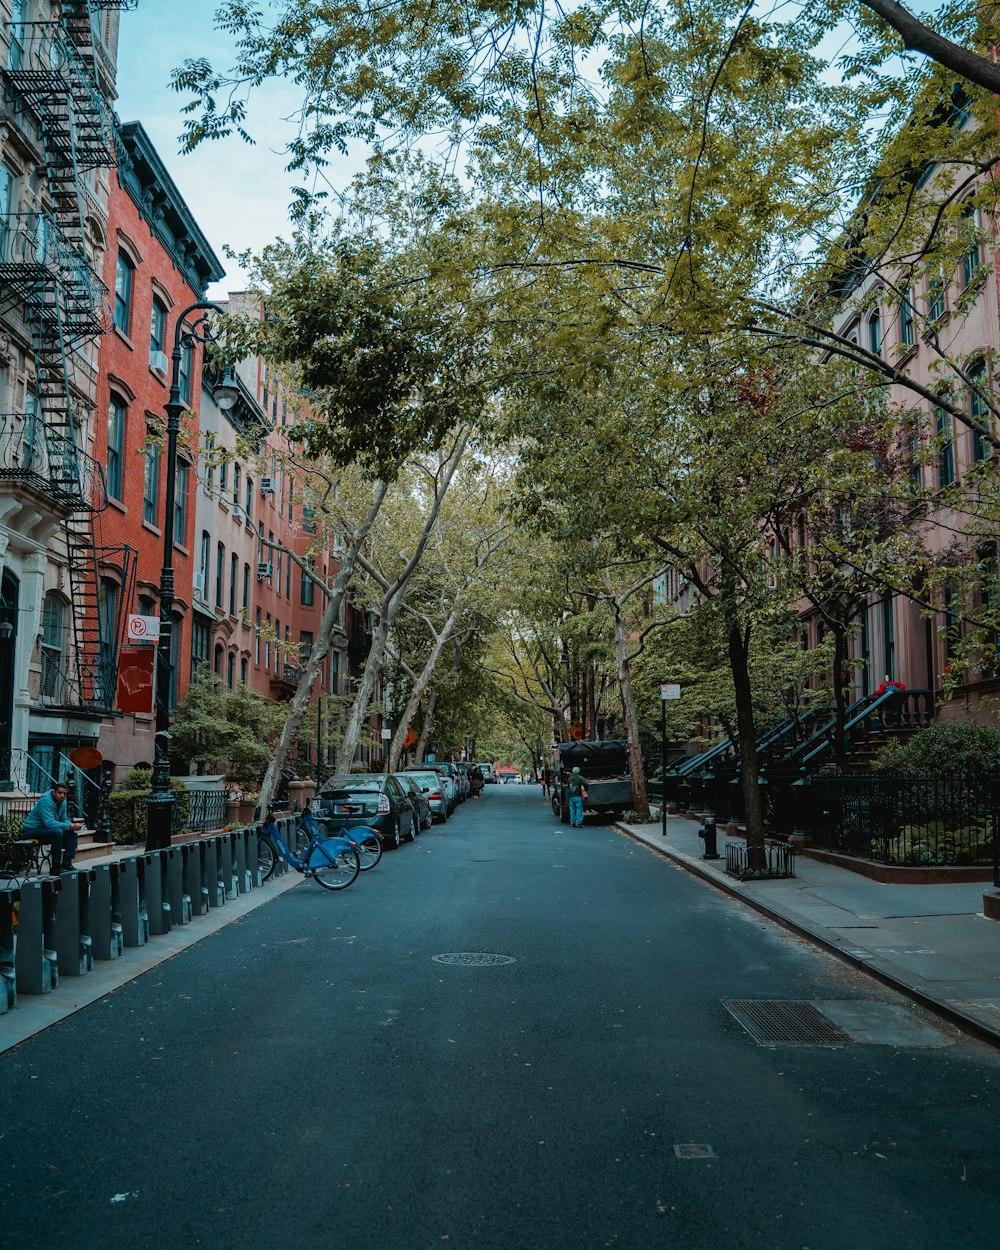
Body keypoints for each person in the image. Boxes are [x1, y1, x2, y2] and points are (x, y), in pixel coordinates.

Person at [21, 782, 85, 873]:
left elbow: (63, 819)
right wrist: (69, 826)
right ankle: (56, 867)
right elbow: (49, 823)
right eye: (60, 793)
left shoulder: (63, 803)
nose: (62, 796)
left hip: (45, 830)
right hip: (31, 830)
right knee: (57, 832)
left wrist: (74, 826)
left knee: (71, 832)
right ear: (54, 792)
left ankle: (67, 863)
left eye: (65, 794)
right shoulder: (45, 801)